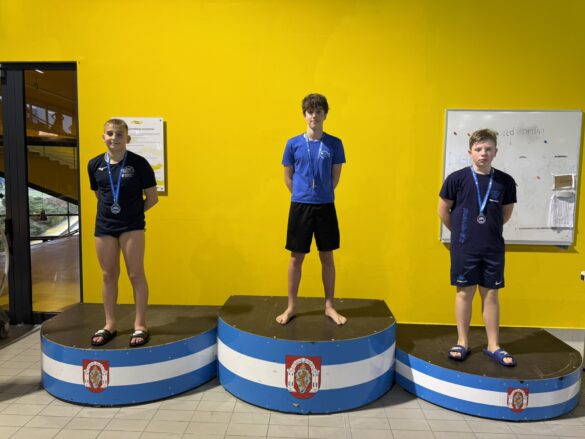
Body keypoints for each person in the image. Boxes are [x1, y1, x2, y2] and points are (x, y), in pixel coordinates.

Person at [438, 128, 517, 366]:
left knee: (491, 294)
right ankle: (462, 342)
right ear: (470, 152)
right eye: (479, 149)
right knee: (464, 293)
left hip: (493, 248)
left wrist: (487, 230)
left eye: (488, 149)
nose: (483, 153)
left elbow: (505, 215)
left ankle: (493, 345)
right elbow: (443, 211)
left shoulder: (505, 181)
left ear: (495, 152)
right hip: (464, 248)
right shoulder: (456, 179)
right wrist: (461, 234)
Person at [276, 94, 347, 325]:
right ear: (304, 115)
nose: (314, 116)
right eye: (310, 112)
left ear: (325, 115)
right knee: (296, 258)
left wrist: (320, 193)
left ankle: (329, 306)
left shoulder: (335, 144)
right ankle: (291, 306)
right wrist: (302, 193)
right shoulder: (293, 144)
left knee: (327, 256)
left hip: (325, 206)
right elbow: (288, 177)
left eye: (318, 111)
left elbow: (335, 178)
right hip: (300, 206)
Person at [88, 119, 158, 347]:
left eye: (119, 134)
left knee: (135, 275)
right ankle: (110, 324)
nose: (114, 138)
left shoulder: (139, 164)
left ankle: (140, 325)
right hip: (104, 228)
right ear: (103, 137)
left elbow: (152, 198)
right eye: (110, 133)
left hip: (132, 227)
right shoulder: (94, 164)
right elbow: (100, 195)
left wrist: (132, 214)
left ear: (127, 138)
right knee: (108, 276)